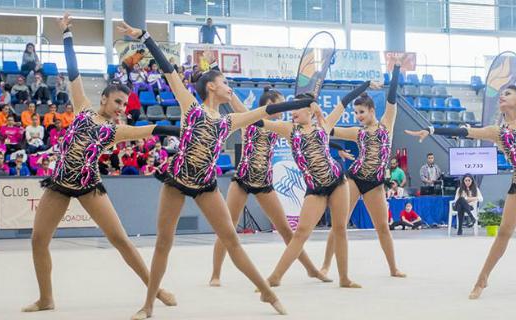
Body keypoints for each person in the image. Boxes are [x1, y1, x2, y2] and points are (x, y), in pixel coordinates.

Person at [117, 21, 314, 319]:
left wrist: (300, 102)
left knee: (231, 239)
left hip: (207, 185)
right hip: (177, 181)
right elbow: (168, 71)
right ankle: (148, 304)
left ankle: (268, 293)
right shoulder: (191, 107)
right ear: (211, 86)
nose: (227, 86)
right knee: (163, 242)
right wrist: (144, 37)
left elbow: (266, 111)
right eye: (223, 82)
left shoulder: (228, 121)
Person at [22, 14, 180, 313]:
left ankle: (155, 290)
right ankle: (46, 298)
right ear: (105, 98)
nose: (121, 108)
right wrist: (67, 33)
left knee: (120, 240)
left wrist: (185, 129)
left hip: (88, 186)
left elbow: (154, 130)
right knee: (38, 240)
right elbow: (73, 71)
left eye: (124, 104)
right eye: (118, 102)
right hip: (58, 184)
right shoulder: (82, 108)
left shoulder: (116, 130)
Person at [404, 48, 516, 299]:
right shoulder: (498, 132)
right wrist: (430, 129)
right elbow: (466, 132)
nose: (502, 97)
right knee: (505, 230)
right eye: (501, 94)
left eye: (507, 93)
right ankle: (482, 279)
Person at [252, 82, 370, 290]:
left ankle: (344, 277)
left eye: (297, 108)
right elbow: (258, 122)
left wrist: (368, 86)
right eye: (291, 109)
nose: (292, 112)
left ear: (310, 110)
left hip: (337, 182)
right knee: (301, 232)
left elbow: (345, 101)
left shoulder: (323, 124)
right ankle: (276, 276)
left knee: (340, 229)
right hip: (315, 188)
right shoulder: (289, 129)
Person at [209, 87, 330, 287]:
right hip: (242, 180)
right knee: (227, 227)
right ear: (271, 103)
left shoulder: (280, 125)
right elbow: (233, 100)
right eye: (282, 103)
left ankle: (311, 269)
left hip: (265, 182)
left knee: (285, 229)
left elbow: (308, 128)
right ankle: (216, 274)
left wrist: (313, 106)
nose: (285, 107)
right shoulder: (249, 119)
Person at [320, 63, 405, 278]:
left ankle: (393, 268)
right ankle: (325, 266)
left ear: (372, 110)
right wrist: (321, 124)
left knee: (383, 227)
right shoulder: (358, 133)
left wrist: (395, 69)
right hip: (355, 179)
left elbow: (392, 98)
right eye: (356, 112)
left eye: (361, 112)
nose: (358, 115)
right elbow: (328, 132)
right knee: (340, 224)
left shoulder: (387, 124)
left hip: (375, 183)